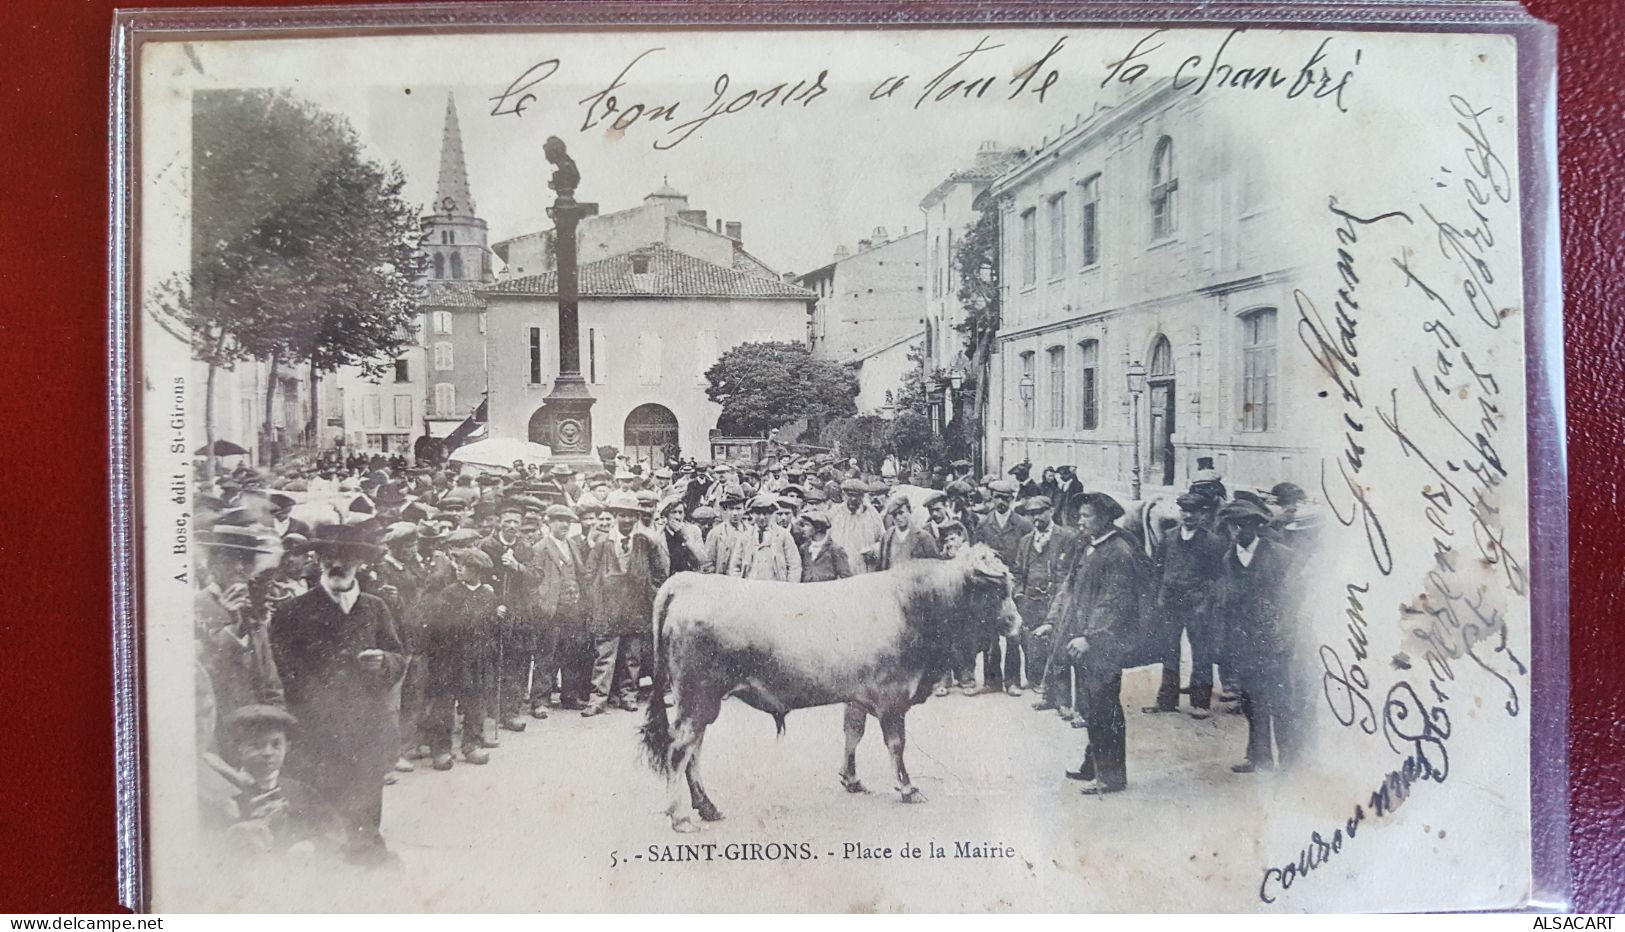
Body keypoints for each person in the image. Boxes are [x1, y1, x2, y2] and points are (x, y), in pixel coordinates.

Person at [268, 524, 406, 865]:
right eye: (329, 557)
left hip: (366, 728)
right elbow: (282, 672)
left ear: (360, 562)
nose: (337, 564)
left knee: (365, 804)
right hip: (316, 732)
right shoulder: (292, 611)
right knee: (320, 817)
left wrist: (384, 663)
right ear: (318, 561)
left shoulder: (375, 608)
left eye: (346, 557)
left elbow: (398, 655)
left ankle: (367, 860)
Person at [1055, 493, 1141, 795]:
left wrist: (1090, 637)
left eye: (1086, 516)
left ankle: (1112, 775)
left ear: (1104, 519)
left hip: (1104, 644)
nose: (1080, 521)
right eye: (1079, 516)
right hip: (1084, 642)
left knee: (1106, 708)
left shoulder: (1118, 552)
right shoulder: (1089, 547)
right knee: (1091, 705)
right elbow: (1072, 590)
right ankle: (1094, 764)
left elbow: (1113, 602)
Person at [1215, 499, 1301, 773]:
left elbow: (1293, 601)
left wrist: (1284, 634)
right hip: (1244, 641)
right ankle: (1258, 756)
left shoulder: (1281, 556)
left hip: (1275, 640)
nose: (1238, 532)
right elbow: (1227, 602)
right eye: (1233, 526)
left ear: (1256, 526)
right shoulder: (1229, 558)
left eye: (1244, 526)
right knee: (1251, 700)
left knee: (1281, 701)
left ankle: (1289, 761)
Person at [213, 705, 344, 861]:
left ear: (287, 748)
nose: (268, 752)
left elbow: (335, 835)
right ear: (238, 748)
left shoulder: (301, 791)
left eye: (276, 745)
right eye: (256, 745)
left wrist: (311, 846)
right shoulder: (224, 793)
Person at [584, 492, 669, 716]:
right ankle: (597, 699)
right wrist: (597, 601)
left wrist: (648, 594)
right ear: (615, 516)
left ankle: (628, 695)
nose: (627, 520)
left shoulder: (646, 542)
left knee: (633, 657)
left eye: (632, 516)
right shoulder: (603, 543)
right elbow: (589, 574)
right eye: (622, 515)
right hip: (608, 608)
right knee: (605, 656)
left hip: (636, 608)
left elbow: (660, 573)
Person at [1143, 493, 1226, 717]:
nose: (1188, 516)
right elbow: (1157, 570)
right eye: (1185, 511)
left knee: (1201, 651)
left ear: (1203, 515)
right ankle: (1166, 701)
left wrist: (1204, 602)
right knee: (1169, 651)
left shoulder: (1212, 542)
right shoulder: (1169, 537)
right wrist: (1158, 596)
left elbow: (1217, 578)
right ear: (1180, 513)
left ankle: (1200, 703)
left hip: (1197, 604)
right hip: (1171, 603)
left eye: (1194, 512)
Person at [420, 548, 499, 770]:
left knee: (475, 701)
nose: (459, 569)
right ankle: (441, 749)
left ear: (477, 570)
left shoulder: (488, 595)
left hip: (476, 658)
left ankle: (471, 744)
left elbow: (491, 627)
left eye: (464, 566)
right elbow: (436, 628)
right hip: (450, 658)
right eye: (458, 564)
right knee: (444, 704)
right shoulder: (449, 593)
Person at [1012, 497, 1078, 713]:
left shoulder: (1067, 538)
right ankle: (1046, 696)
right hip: (1030, 603)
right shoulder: (1025, 541)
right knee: (1034, 648)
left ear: (1051, 511)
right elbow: (1019, 573)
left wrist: (1061, 600)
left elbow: (1070, 574)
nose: (1036, 518)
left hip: (1055, 603)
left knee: (1058, 651)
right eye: (1031, 514)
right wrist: (1019, 595)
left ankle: (1063, 701)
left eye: (1040, 512)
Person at [481, 502, 541, 733]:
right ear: (499, 522)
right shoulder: (487, 546)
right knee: (490, 661)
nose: (512, 526)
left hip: (518, 614)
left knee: (516, 662)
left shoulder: (526, 547)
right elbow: (479, 577)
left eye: (517, 522)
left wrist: (518, 567)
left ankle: (510, 711)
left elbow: (537, 576)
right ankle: (489, 710)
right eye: (508, 521)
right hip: (492, 612)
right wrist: (492, 604)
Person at [970, 479, 1034, 696]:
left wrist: (1018, 583)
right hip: (988, 588)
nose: (1001, 502)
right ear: (991, 498)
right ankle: (991, 680)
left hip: (1012, 587)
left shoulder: (1023, 525)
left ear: (1012, 499)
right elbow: (976, 556)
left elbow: (1027, 557)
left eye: (1005, 498)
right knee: (989, 635)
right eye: (997, 497)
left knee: (1013, 635)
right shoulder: (983, 524)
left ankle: (1012, 681)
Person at [534, 505, 592, 712]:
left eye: (568, 521)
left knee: (572, 652)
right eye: (559, 520)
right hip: (552, 608)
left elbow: (580, 573)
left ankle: (569, 697)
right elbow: (534, 579)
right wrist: (543, 603)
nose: (564, 524)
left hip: (572, 607)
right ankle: (540, 700)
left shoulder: (572, 545)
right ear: (549, 522)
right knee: (547, 654)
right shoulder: (541, 547)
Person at [726, 493, 802, 581]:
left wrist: (788, 588)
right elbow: (735, 566)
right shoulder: (745, 537)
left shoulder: (783, 535)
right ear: (751, 514)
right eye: (758, 513)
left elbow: (794, 565)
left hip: (776, 587)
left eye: (766, 513)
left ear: (772, 513)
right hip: (751, 588)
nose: (762, 517)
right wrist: (740, 585)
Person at [828, 478, 884, 573]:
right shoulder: (834, 513)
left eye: (857, 496)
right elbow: (824, 539)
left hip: (864, 568)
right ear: (843, 496)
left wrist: (873, 550)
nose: (853, 499)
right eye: (850, 495)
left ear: (863, 497)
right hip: (840, 569)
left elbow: (883, 539)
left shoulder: (872, 513)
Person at [875, 495, 941, 569]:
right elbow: (880, 565)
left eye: (901, 513)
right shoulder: (887, 536)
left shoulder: (924, 537)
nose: (898, 517)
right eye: (894, 515)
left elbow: (934, 566)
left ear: (910, 511)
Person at [798, 511, 852, 582]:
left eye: (807, 525)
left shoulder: (835, 550)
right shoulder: (804, 549)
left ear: (818, 528)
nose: (803, 529)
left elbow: (846, 578)